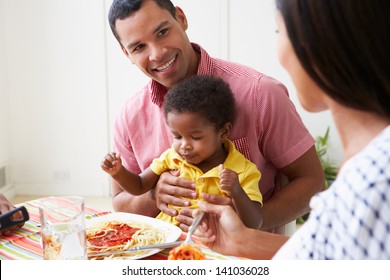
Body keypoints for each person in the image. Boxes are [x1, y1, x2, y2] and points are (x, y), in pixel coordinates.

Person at [194, 0, 390, 259]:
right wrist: (242, 241)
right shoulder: (369, 174)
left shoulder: (372, 184)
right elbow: (330, 257)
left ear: (316, 42)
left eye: (279, 32)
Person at [107, 0, 324, 232]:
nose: (157, 54)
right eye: (139, 47)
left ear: (181, 18)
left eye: (162, 32)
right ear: (126, 54)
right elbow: (120, 202)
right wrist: (152, 196)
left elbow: (312, 182)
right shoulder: (129, 117)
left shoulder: (260, 94)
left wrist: (241, 226)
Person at [102, 75, 263, 228]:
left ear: (223, 132)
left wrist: (236, 191)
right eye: (177, 136)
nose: (184, 145)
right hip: (166, 242)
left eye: (195, 137)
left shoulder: (243, 170)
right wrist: (118, 172)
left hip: (214, 249)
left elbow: (254, 223)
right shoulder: (172, 157)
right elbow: (139, 186)